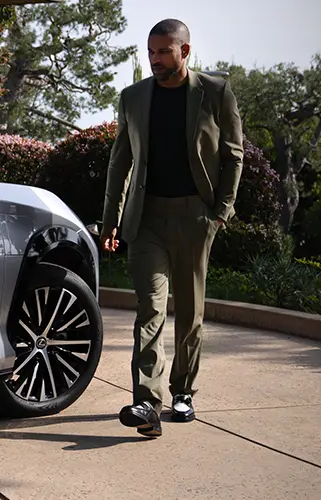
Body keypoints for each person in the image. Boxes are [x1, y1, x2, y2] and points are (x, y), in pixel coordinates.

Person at [99, 18, 244, 437]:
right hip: (146, 219)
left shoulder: (215, 92)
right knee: (150, 309)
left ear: (185, 51)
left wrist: (222, 211)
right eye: (150, 52)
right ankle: (147, 402)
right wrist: (112, 219)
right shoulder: (133, 98)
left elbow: (234, 154)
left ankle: (183, 392)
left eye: (164, 51)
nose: (155, 60)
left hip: (196, 216)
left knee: (189, 311)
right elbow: (119, 163)